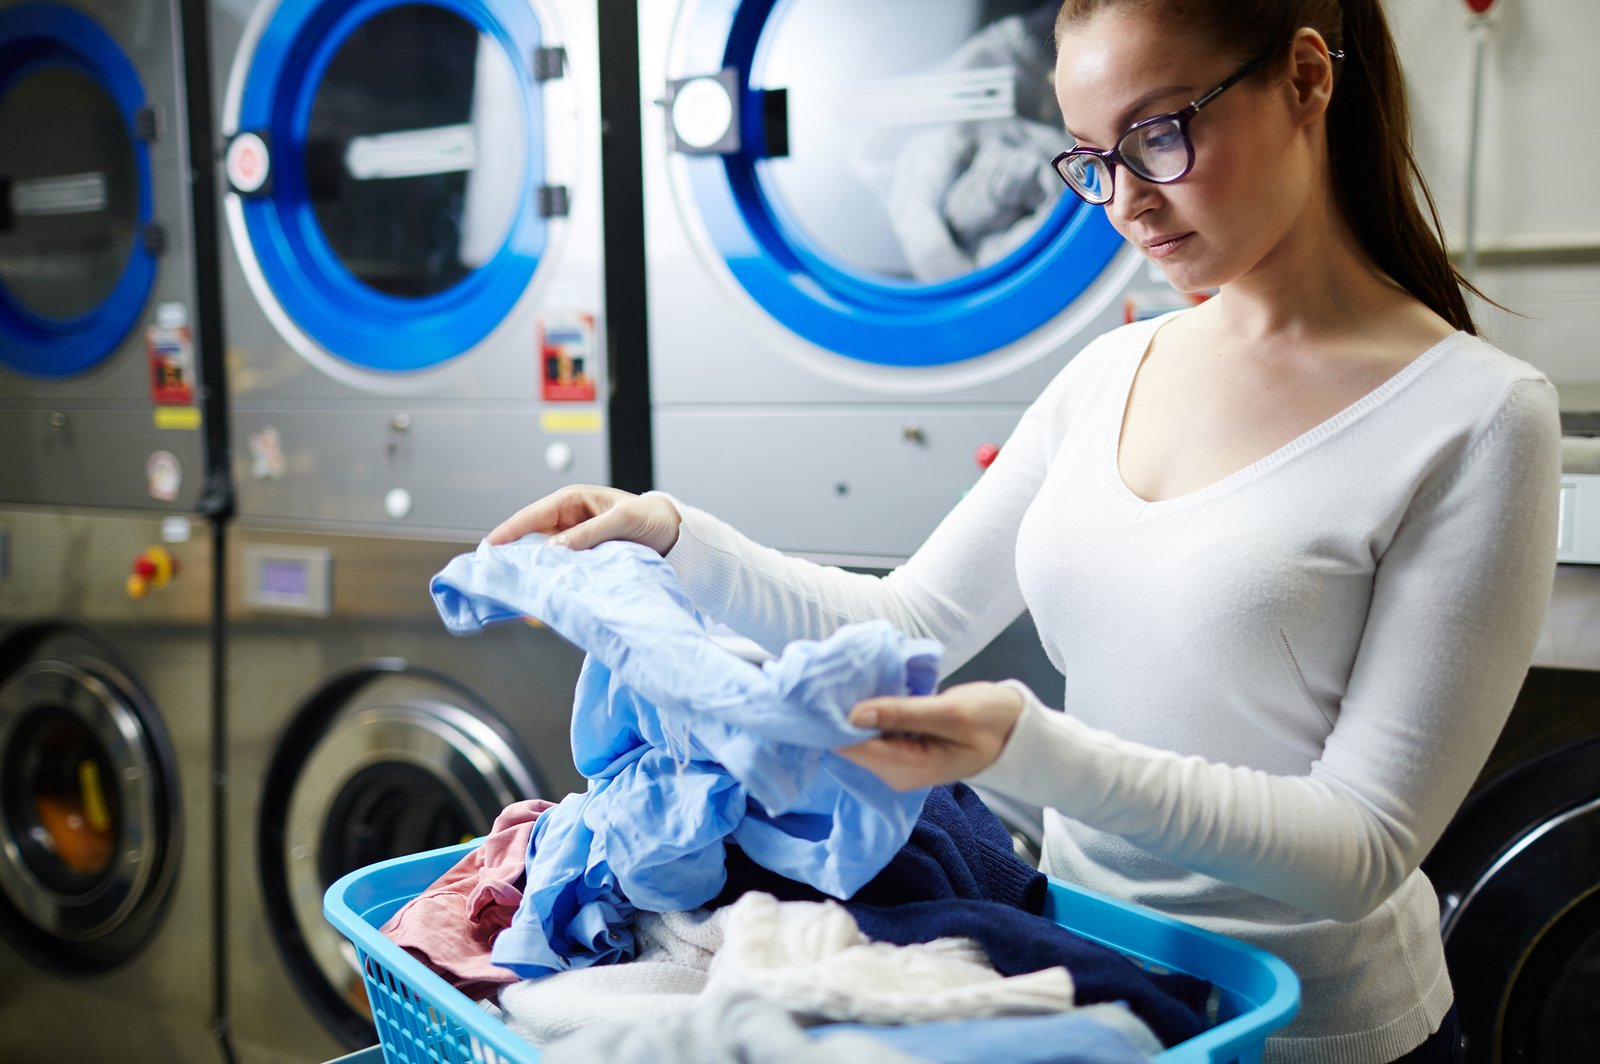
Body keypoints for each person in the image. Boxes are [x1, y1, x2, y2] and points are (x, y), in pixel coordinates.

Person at [489, 1, 1560, 1060]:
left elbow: (1362, 846)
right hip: (1090, 992)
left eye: (1158, 133)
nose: (1127, 201)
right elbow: (910, 616)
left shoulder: (1473, 415)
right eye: (1093, 158)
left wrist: (1029, 749)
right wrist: (670, 534)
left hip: (1312, 1028)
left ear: (1307, 79)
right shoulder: (1112, 370)